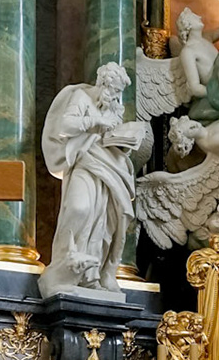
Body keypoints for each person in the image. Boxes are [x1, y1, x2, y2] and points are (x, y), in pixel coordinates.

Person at [41, 63, 148, 293]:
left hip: (109, 165)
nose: (116, 98)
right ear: (102, 84)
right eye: (113, 91)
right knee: (79, 209)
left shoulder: (113, 106)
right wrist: (95, 123)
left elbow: (111, 136)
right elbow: (65, 126)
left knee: (106, 219)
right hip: (84, 161)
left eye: (119, 93)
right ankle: (64, 265)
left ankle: (93, 276)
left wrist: (123, 142)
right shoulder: (81, 97)